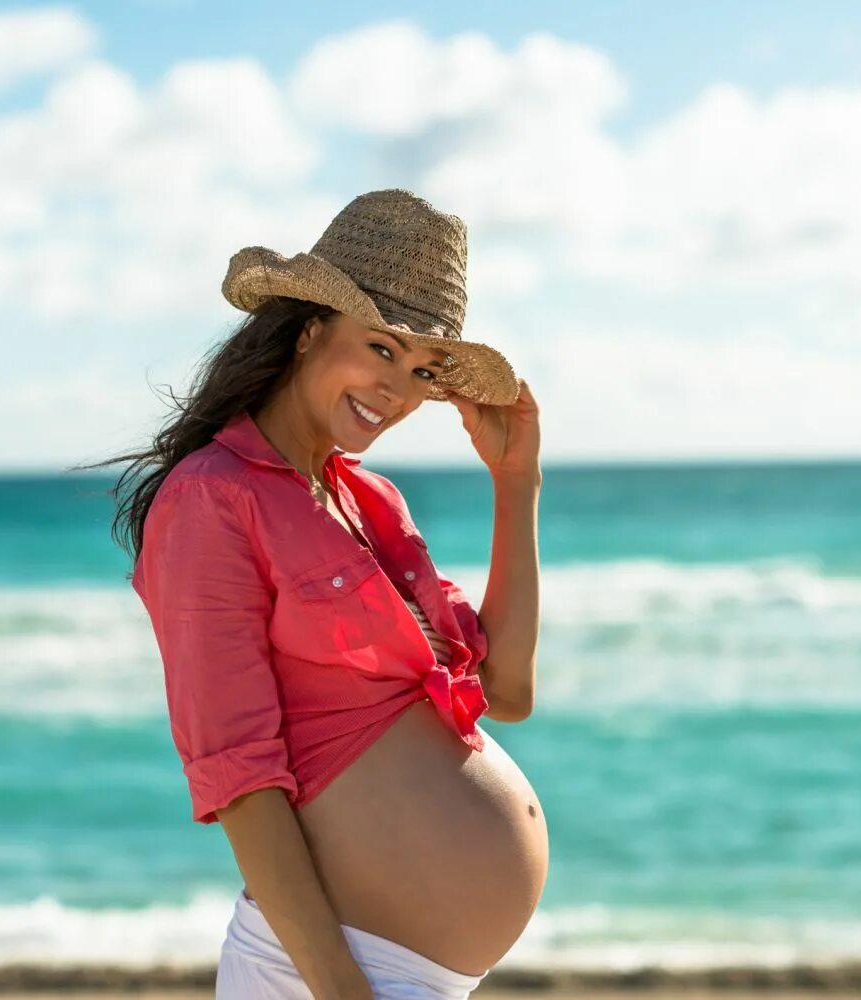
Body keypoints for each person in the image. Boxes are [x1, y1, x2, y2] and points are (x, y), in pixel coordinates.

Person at [109, 189, 545, 999]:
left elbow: (508, 691)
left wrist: (515, 483)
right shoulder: (214, 496)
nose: (399, 392)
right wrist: (341, 989)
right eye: (381, 350)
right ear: (309, 330)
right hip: (328, 973)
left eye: (422, 371)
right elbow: (237, 773)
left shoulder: (370, 499)